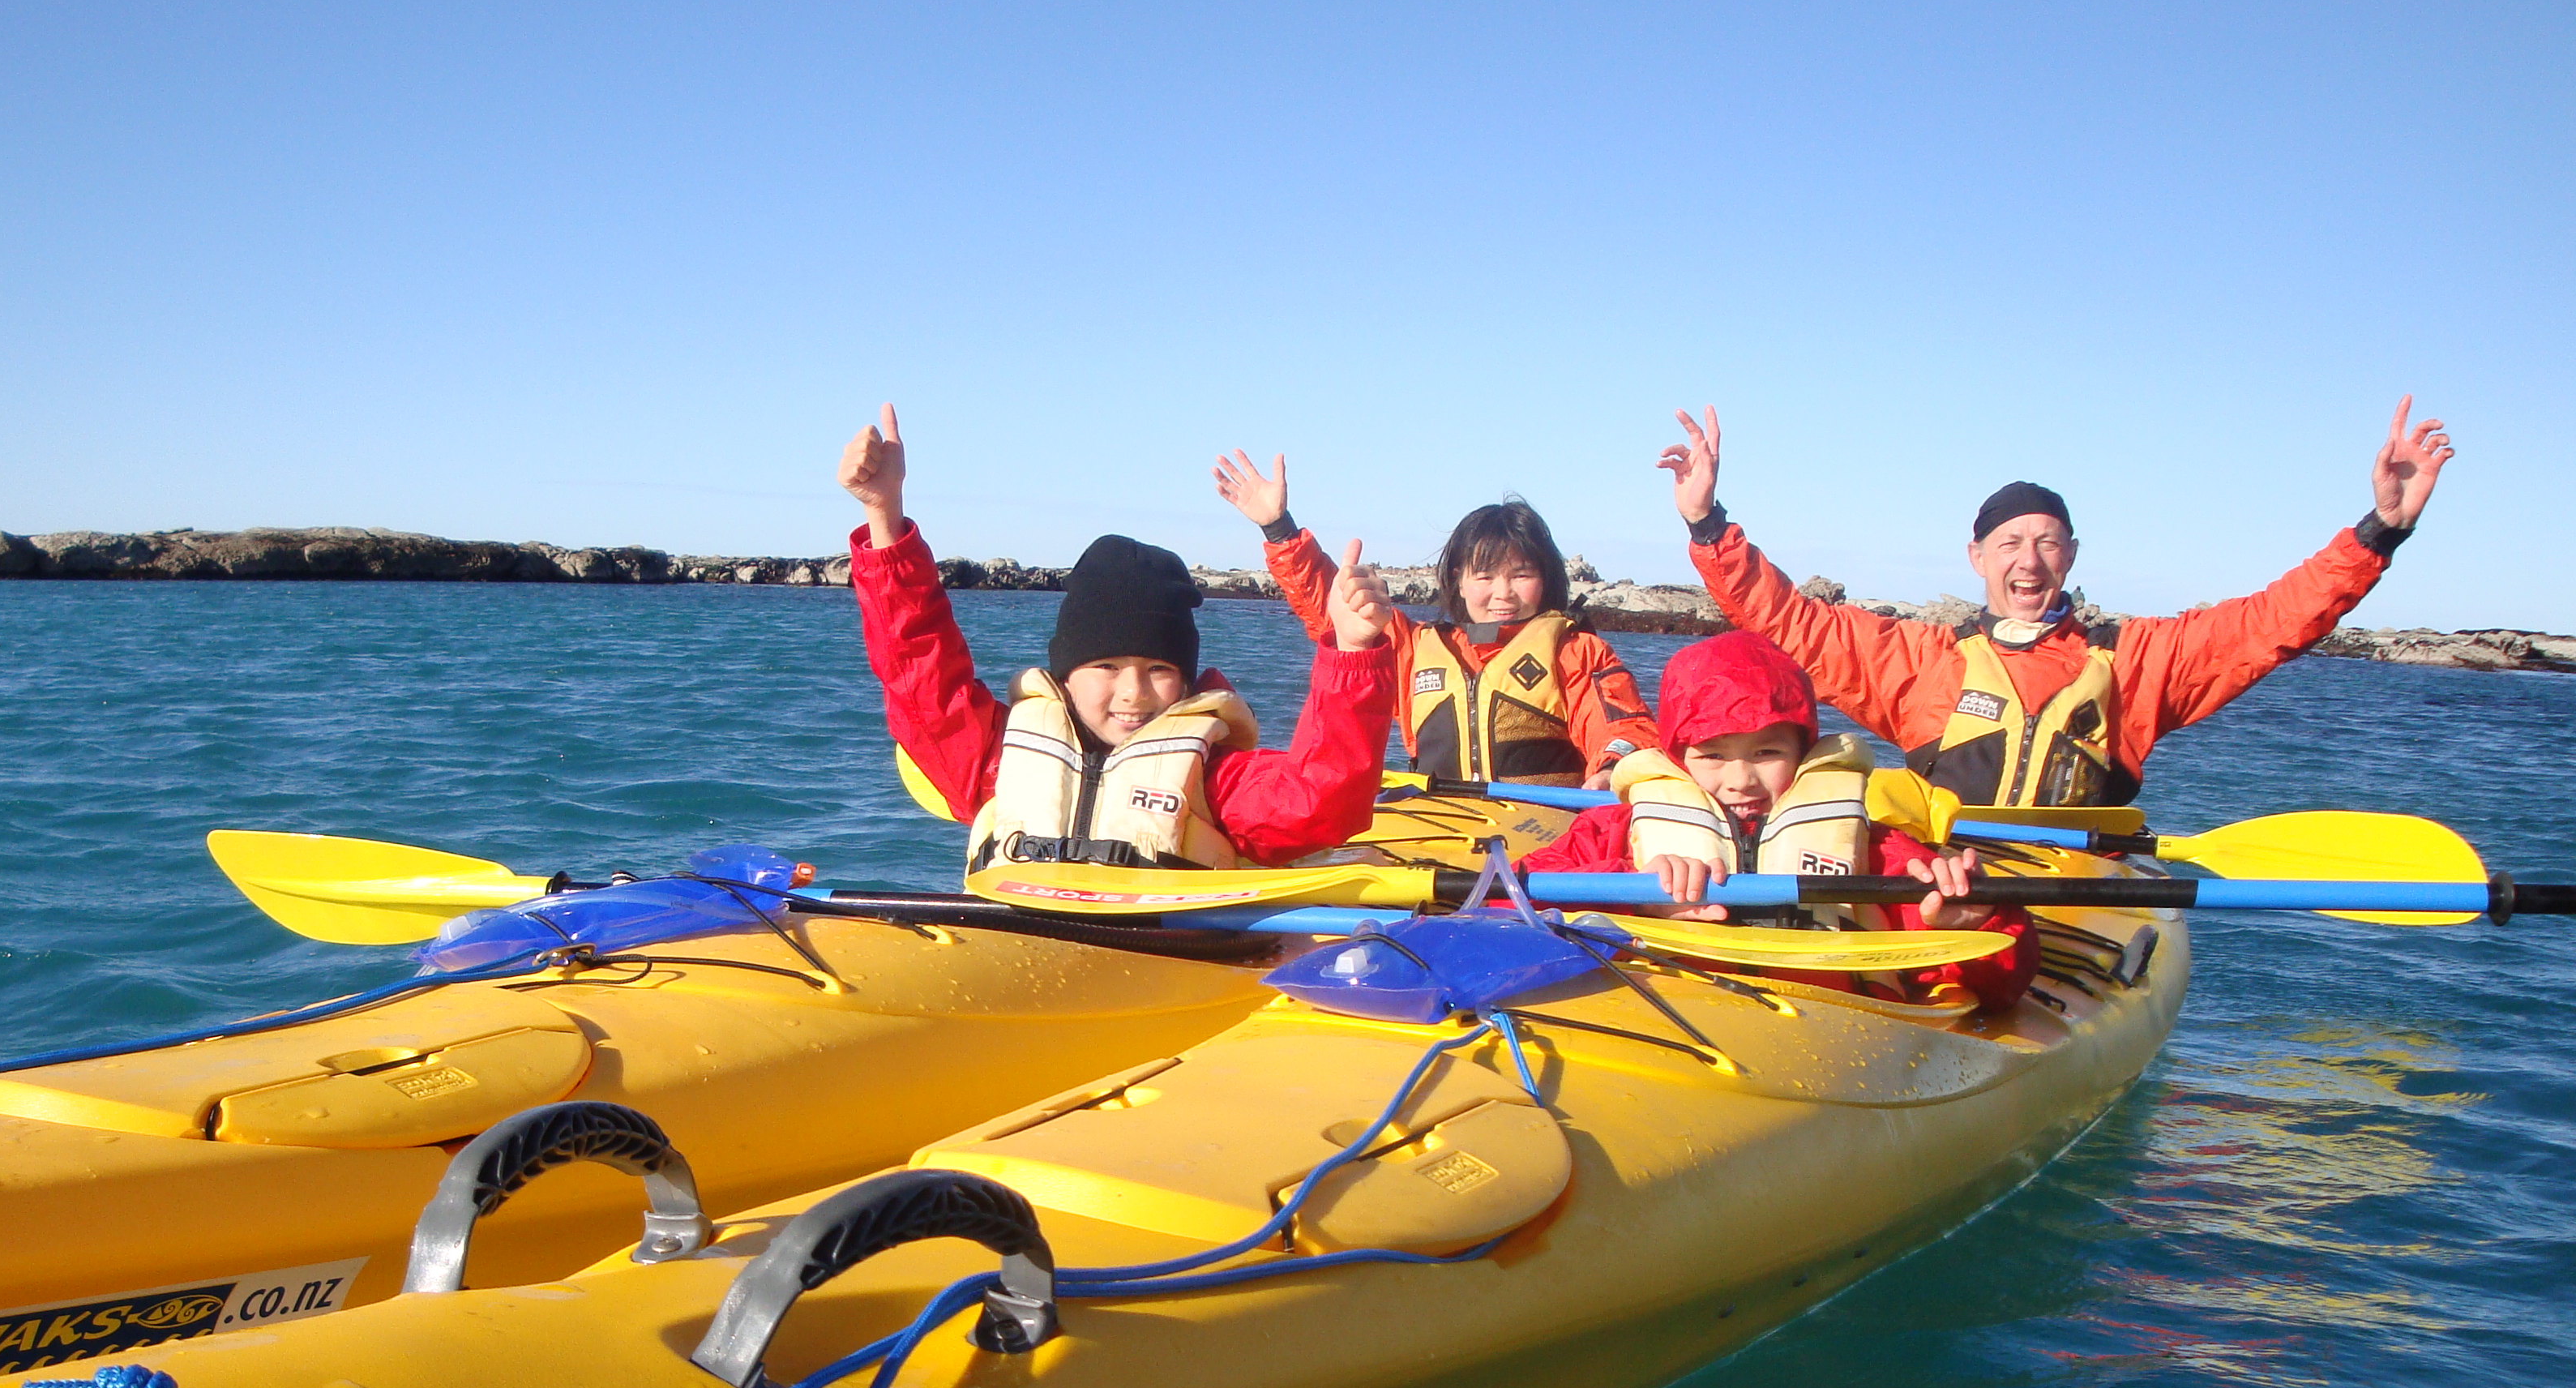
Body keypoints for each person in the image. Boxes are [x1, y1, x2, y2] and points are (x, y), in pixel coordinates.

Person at [1657, 398, 2456, 808]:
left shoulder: (2133, 663)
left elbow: (2273, 622)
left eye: (2046, 542)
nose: (2028, 560)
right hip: (1947, 878)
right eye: (2008, 544)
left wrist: (2380, 530)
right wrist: (1706, 521)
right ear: (1977, 561)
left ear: (2070, 556)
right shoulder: (1919, 663)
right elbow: (1785, 620)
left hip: (2079, 894)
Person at [841, 407, 1397, 875]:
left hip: (1160, 971)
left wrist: (1354, 653)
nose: (1132, 692)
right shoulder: (989, 762)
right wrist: (882, 514)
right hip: (1018, 958)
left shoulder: (1215, 779)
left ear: (1184, 680)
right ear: (1064, 675)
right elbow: (916, 669)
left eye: (1157, 668)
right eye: (1106, 666)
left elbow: (1323, 801)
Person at [1525, 629, 2037, 1010]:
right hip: (1661, 1023)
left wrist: (1981, 922)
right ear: (1678, 757)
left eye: (1766, 751)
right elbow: (1504, 896)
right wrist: (1631, 890)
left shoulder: (1879, 854)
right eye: (1712, 756)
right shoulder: (1611, 835)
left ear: (1805, 751)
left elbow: (2003, 982)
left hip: (1825, 1039)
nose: (1741, 779)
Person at [1213, 451, 1658, 789]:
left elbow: (1623, 727)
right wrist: (1279, 530)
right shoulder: (1415, 649)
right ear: (1459, 582)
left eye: (1521, 575)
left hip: (1548, 840)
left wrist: (1613, 769)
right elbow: (1335, 606)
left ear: (1545, 579)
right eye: (1484, 576)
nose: (1502, 593)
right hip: (1443, 836)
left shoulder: (1575, 651)